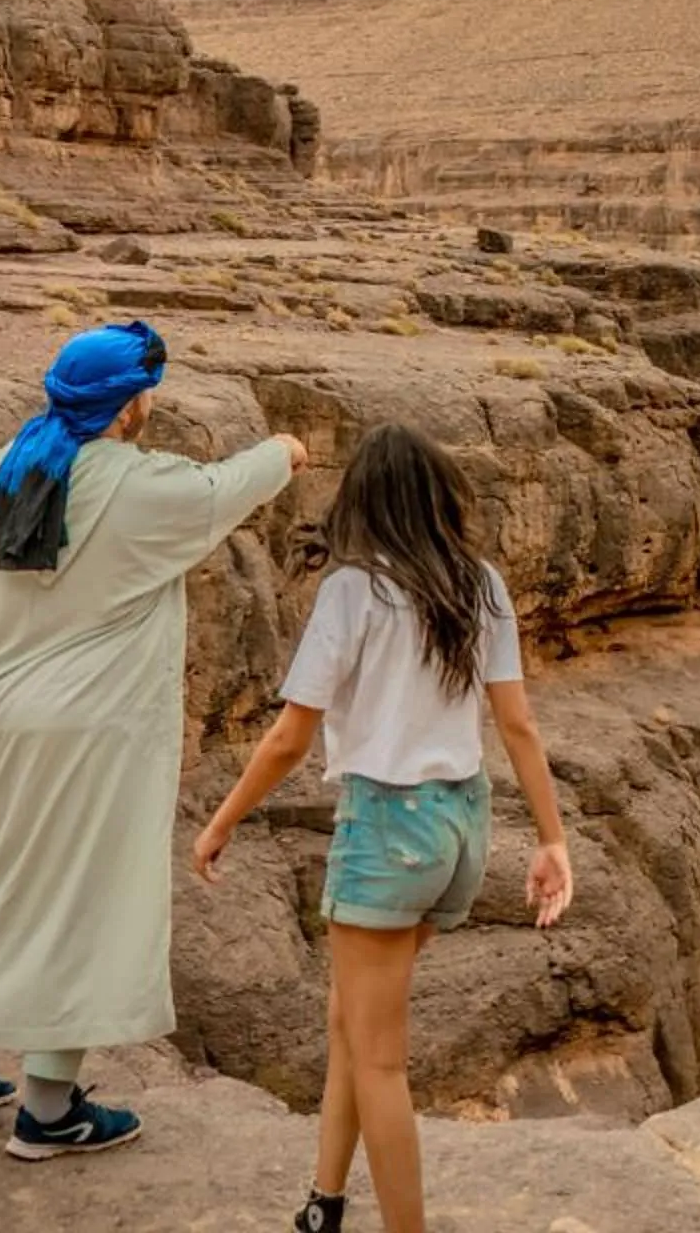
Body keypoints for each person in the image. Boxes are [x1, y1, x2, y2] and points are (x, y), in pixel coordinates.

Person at [0, 319, 308, 1160]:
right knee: (83, 903)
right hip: (96, 734)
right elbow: (220, 491)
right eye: (148, 391)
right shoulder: (140, 485)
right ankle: (49, 1109)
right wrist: (284, 450)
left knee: (1, 884)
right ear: (128, 405)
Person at [192, 423, 574, 1233]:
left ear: (362, 501)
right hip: (462, 826)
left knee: (380, 1060)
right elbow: (519, 726)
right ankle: (324, 1203)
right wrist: (551, 839)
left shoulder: (353, 591)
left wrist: (221, 822)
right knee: (349, 1023)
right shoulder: (482, 584)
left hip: (388, 831)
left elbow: (291, 736)